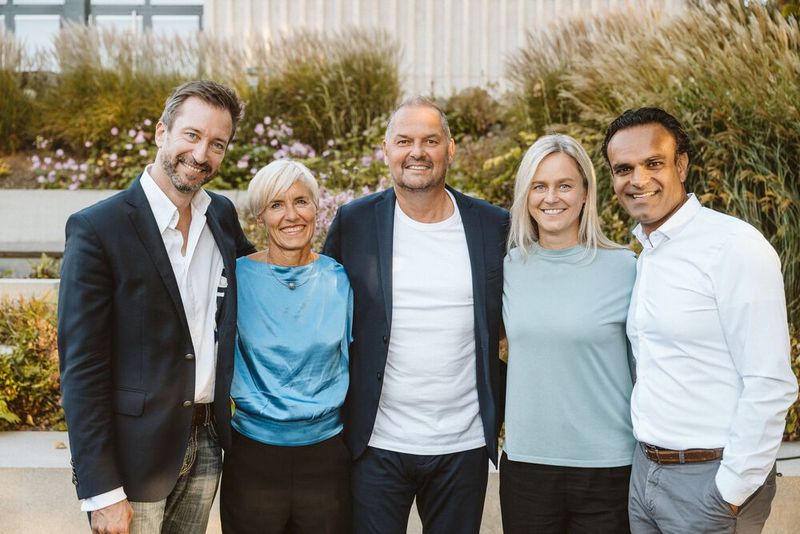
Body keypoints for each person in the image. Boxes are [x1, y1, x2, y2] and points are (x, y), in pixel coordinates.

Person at [58, 80, 255, 534]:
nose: (202, 154)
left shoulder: (221, 217)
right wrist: (101, 491)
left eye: (217, 144)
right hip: (133, 460)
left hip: (208, 443)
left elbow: (261, 280)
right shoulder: (97, 229)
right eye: (191, 134)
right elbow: (82, 368)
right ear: (161, 132)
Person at [602, 107, 798, 533]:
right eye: (623, 168)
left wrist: (731, 490)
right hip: (646, 474)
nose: (638, 179)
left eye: (653, 163)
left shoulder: (733, 247)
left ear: (682, 165)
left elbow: (770, 381)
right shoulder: (648, 252)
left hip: (710, 481)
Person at [323, 97, 508, 534]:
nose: (417, 152)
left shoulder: (491, 224)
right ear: (386, 150)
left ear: (451, 148)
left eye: (430, 140)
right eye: (404, 141)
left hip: (463, 444)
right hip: (376, 443)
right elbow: (321, 305)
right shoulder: (355, 221)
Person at [501, 134, 636, 533]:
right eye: (539, 186)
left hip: (608, 468)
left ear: (585, 193)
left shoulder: (625, 267)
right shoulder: (507, 267)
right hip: (527, 467)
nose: (551, 197)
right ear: (526, 194)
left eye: (564, 185)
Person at [220, 159, 352, 534]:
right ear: (259, 217)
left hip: (327, 459)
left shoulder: (341, 279)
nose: (291, 215)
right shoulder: (236, 278)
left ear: (316, 207)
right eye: (276, 205)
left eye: (301, 201)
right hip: (253, 460)